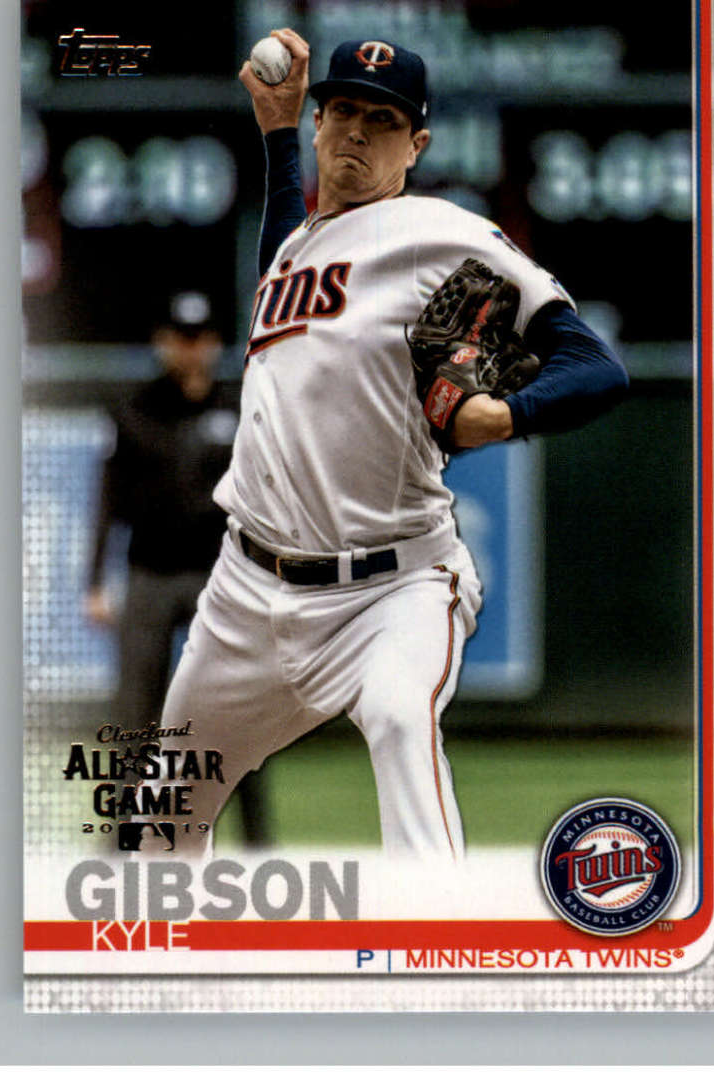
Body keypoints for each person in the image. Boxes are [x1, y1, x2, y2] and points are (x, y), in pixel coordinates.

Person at [144, 31, 629, 860]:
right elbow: (289, 260)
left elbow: (596, 365)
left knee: (403, 722)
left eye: (384, 119)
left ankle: (437, 933)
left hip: (391, 588)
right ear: (320, 122)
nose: (359, 132)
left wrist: (505, 416)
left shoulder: (437, 232)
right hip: (246, 595)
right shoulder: (298, 244)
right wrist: (276, 135)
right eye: (343, 112)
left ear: (418, 144)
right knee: (161, 823)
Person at [85, 291, 267, 842]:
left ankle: (256, 841)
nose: (190, 348)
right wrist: (94, 581)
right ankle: (123, 840)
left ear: (212, 343)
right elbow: (107, 500)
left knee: (235, 709)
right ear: (162, 342)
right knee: (135, 714)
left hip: (219, 577)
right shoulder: (133, 409)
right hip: (150, 572)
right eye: (180, 337)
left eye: (199, 337)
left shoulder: (238, 408)